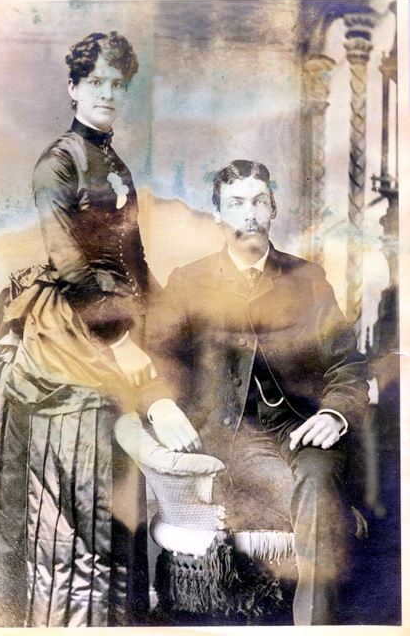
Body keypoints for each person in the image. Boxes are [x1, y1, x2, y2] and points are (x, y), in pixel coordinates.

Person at [0, 31, 181, 628]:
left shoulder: (116, 164)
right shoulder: (57, 162)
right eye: (96, 83)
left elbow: (134, 259)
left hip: (115, 313)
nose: (107, 94)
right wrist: (121, 342)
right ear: (74, 87)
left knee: (116, 502)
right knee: (81, 505)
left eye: (117, 84)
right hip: (72, 326)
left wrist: (170, 321)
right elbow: (69, 264)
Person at [146, 160, 370, 625]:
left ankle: (316, 627)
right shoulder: (189, 281)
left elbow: (348, 365)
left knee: (320, 478)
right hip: (228, 435)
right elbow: (155, 358)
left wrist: (334, 414)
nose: (249, 214)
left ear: (273, 209)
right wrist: (160, 403)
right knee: (317, 504)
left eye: (259, 201)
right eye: (236, 203)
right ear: (217, 214)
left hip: (298, 428)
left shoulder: (308, 279)